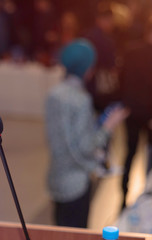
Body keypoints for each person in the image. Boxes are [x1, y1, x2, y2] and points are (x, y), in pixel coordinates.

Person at [45, 39, 129, 228]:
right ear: (87, 67)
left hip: (56, 177)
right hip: (76, 183)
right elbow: (85, 146)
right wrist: (108, 126)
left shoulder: (53, 94)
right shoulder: (80, 100)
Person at [119, 17, 152, 210]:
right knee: (148, 154)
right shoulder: (134, 51)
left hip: (131, 111)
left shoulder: (130, 51)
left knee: (129, 153)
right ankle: (146, 196)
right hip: (147, 114)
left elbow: (121, 79)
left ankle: (123, 193)